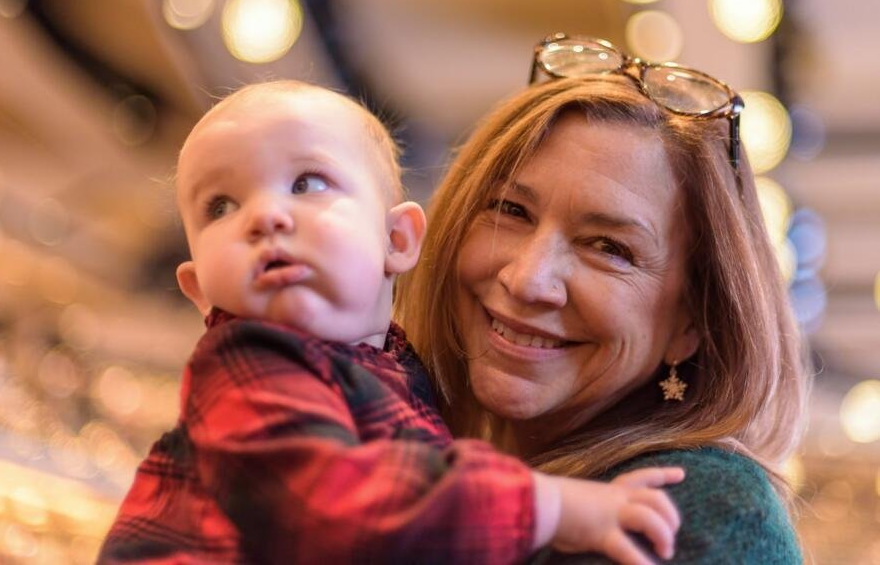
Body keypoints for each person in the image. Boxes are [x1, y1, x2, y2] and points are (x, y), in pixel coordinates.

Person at [99, 80, 686, 565]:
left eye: (306, 183)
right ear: (200, 291)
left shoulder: (399, 371)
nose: (265, 216)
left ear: (398, 238)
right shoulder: (249, 366)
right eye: (220, 207)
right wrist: (552, 508)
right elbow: (329, 509)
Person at [396, 35, 809, 563]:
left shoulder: (698, 509)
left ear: (693, 322)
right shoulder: (427, 464)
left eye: (608, 248)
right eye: (511, 210)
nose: (527, 280)